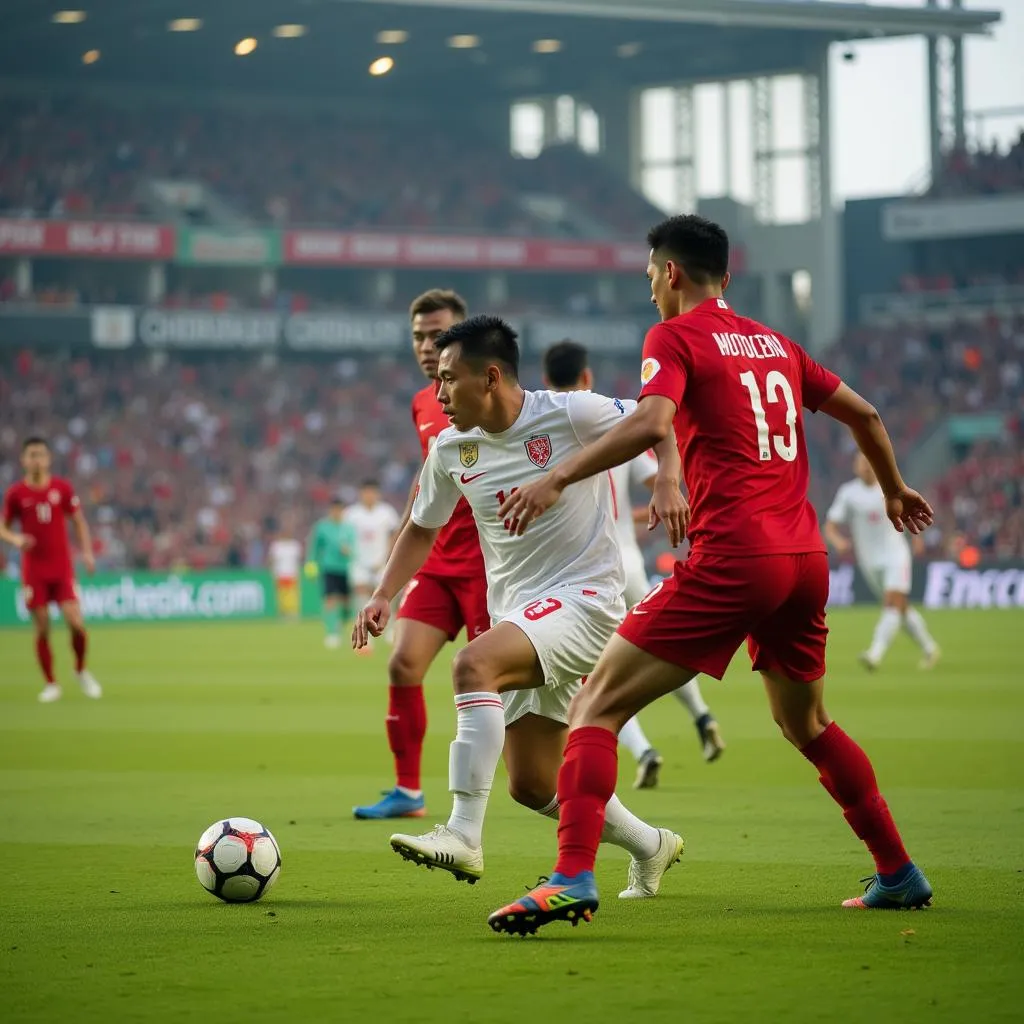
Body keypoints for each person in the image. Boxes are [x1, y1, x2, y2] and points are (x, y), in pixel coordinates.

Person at [488, 215, 934, 934]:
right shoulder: (778, 343)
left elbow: (648, 421)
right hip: (803, 559)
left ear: (671, 274)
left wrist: (558, 476)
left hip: (734, 557)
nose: (651, 295)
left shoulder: (674, 335)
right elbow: (867, 414)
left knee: (595, 706)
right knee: (807, 722)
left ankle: (571, 877)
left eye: (649, 279)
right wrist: (893, 487)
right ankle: (899, 872)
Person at [353, 316, 683, 899]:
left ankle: (462, 833)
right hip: (522, 613)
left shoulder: (570, 413)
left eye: (450, 379)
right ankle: (650, 844)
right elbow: (420, 528)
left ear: (492, 377)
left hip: (587, 600)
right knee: (531, 784)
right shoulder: (452, 449)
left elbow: (658, 420)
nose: (439, 393)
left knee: (471, 666)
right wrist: (384, 593)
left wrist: (667, 481)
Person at [542, 339, 725, 786]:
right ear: (587, 378)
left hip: (583, 573)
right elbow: (656, 477)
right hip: (629, 563)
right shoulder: (615, 426)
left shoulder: (543, 434)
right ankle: (701, 716)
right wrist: (660, 498)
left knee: (595, 672)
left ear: (546, 382)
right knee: (661, 648)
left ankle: (643, 751)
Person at [353, 290, 490, 821]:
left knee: (505, 685)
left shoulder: (487, 395)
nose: (427, 346)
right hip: (437, 561)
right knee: (404, 664)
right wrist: (390, 577)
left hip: (488, 566)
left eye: (437, 335)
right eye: (418, 337)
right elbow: (427, 478)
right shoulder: (421, 403)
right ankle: (408, 792)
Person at [0, 436, 101, 702]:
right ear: (23, 460)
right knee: (42, 627)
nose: (36, 459)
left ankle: (80, 670)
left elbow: (78, 521)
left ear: (48, 459)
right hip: (34, 570)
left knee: (76, 624)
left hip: (62, 567)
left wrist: (88, 553)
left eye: (41, 454)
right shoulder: (16, 494)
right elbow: (3, 527)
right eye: (31, 455)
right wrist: (16, 539)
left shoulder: (62, 489)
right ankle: (51, 683)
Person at [825, 453, 940, 671]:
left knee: (892, 603)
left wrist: (917, 539)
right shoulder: (848, 493)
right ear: (855, 467)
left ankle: (874, 654)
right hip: (868, 561)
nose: (866, 467)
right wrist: (838, 541)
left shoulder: (890, 487)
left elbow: (910, 512)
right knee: (900, 608)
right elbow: (830, 525)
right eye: (862, 463)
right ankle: (930, 648)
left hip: (896, 555)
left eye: (869, 462)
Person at [344, 480, 400, 654]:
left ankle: (390, 630)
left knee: (386, 596)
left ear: (377, 493)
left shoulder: (386, 512)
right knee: (361, 596)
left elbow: (394, 535)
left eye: (372, 492)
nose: (369, 496)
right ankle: (364, 638)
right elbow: (343, 537)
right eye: (366, 492)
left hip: (381, 563)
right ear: (361, 494)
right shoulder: (351, 514)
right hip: (359, 562)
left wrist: (389, 556)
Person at [306, 497, 356, 649]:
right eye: (334, 509)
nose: (336, 512)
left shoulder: (349, 528)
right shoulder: (322, 527)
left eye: (339, 510)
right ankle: (331, 632)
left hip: (346, 569)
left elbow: (356, 549)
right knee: (330, 601)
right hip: (328, 568)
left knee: (347, 605)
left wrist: (349, 552)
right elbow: (314, 547)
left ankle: (339, 625)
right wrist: (311, 564)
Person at [268, 516, 303, 622]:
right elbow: (271, 560)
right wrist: (272, 571)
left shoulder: (295, 545)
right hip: (281, 574)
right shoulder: (276, 546)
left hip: (292, 573)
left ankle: (293, 613)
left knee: (292, 595)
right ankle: (283, 613)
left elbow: (300, 560)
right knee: (282, 595)